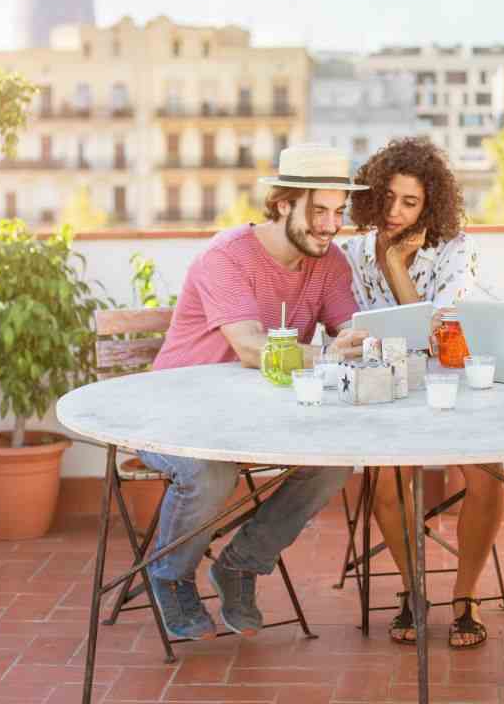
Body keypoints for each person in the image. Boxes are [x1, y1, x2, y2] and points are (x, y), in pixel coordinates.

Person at [140, 144, 369, 641]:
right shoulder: (227, 257)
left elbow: (348, 325)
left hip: (258, 419)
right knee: (210, 469)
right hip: (173, 414)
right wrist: (333, 354)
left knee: (335, 462)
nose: (331, 226)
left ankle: (241, 563)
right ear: (283, 203)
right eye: (318, 211)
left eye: (338, 212)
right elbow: (249, 346)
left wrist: (359, 336)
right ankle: (168, 573)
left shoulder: (327, 262)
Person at [342, 137, 497, 649]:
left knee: (486, 474)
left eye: (410, 202)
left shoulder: (457, 250)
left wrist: (396, 271)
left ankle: (465, 594)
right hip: (394, 386)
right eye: (387, 198)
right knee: (385, 483)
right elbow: (361, 331)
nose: (395, 212)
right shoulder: (354, 252)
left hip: (457, 378)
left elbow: (441, 337)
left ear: (430, 204)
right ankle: (413, 590)